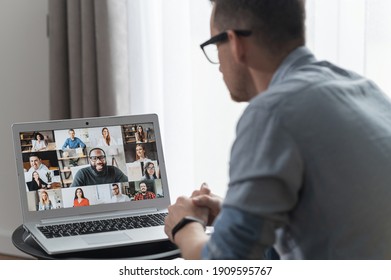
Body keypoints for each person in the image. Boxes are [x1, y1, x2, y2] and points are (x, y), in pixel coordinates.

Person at [164, 0, 391, 260]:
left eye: (216, 47)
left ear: (235, 43)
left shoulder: (272, 112)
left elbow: (223, 265)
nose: (218, 65)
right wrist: (234, 213)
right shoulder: (365, 89)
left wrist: (186, 224)